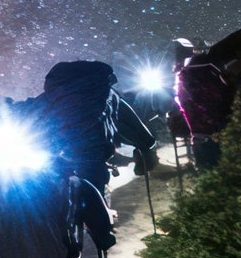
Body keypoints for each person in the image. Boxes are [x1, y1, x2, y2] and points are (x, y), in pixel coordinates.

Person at [32, 60, 157, 193]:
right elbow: (140, 133)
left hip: (77, 164)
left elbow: (27, 110)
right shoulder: (105, 93)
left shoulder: (52, 99)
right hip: (88, 164)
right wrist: (146, 149)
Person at [174, 41, 235, 169]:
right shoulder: (205, 128)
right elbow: (185, 103)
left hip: (209, 69)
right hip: (201, 71)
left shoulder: (219, 126)